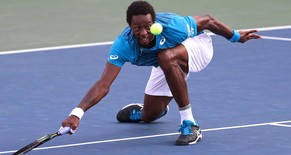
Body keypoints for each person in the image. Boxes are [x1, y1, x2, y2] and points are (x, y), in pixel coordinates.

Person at [61, 0, 261, 146]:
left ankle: (190, 123)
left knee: (166, 57)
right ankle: (147, 110)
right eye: (137, 28)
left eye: (148, 26)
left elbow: (208, 21)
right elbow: (103, 84)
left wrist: (235, 36)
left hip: (196, 47)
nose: (144, 32)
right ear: (129, 27)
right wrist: (76, 113)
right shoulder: (123, 45)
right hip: (164, 60)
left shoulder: (174, 25)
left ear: (154, 23)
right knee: (150, 115)